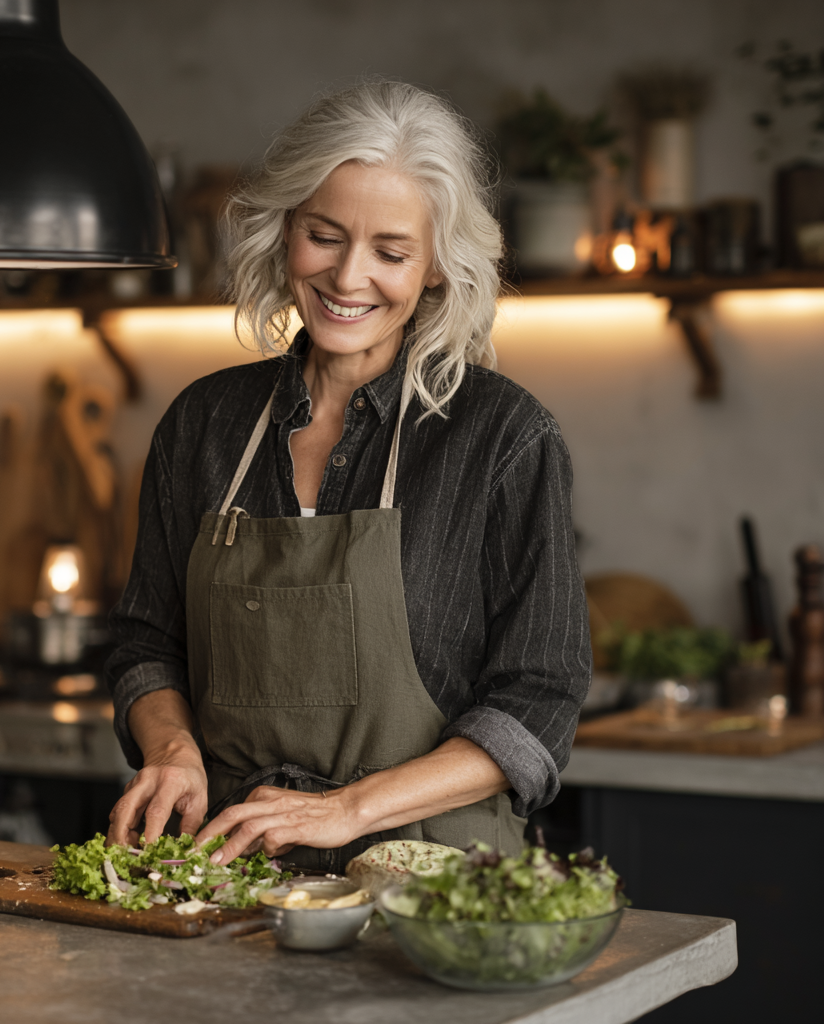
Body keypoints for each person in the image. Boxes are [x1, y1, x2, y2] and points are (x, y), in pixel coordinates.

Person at [106, 80, 590, 872]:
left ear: (435, 267)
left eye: (391, 252)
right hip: (229, 873)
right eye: (324, 236)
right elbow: (146, 643)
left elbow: (538, 703)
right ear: (284, 231)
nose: (347, 277)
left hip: (433, 888)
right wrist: (172, 750)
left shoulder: (502, 437)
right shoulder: (204, 424)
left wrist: (345, 811)